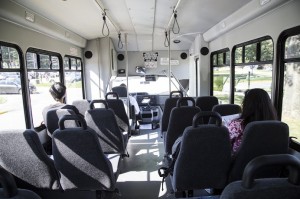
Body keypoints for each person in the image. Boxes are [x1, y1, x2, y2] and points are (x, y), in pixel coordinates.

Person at [227, 88, 277, 154]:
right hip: (268, 162)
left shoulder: (237, 125)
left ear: (247, 105)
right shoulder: (277, 126)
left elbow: (225, 144)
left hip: (242, 163)